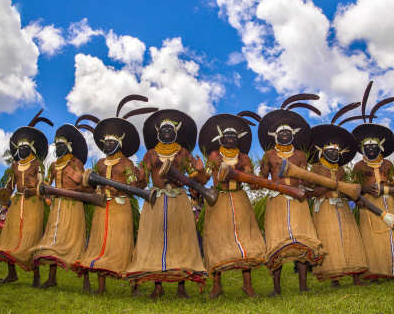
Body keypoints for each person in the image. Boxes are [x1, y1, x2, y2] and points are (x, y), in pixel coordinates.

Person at [125, 109, 207, 299]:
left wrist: (200, 171)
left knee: (181, 240)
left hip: (179, 199)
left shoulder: (184, 153)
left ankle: (181, 287)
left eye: (171, 128)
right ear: (158, 132)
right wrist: (138, 179)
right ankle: (158, 286)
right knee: (155, 241)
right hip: (155, 200)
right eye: (164, 128)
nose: (167, 131)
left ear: (176, 132)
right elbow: (144, 182)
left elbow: (198, 180)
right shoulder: (150, 154)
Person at [72, 95, 148, 294]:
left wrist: (121, 188)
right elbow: (91, 187)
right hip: (102, 206)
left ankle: (134, 286)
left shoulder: (127, 163)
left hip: (121, 207)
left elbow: (133, 185)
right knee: (99, 244)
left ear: (120, 144)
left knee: (124, 244)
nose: (107, 145)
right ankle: (101, 286)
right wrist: (82, 184)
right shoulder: (98, 164)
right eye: (105, 142)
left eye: (111, 142)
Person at [258, 95, 324, 297]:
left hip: (298, 199)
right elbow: (262, 176)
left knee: (301, 239)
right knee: (277, 241)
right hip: (276, 200)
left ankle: (303, 286)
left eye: (288, 132)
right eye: (281, 132)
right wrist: (263, 165)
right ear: (275, 136)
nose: (285, 135)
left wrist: (309, 183)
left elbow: (304, 178)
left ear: (293, 135)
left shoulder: (300, 155)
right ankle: (276, 288)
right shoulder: (269, 154)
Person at [198, 112, 266, 298]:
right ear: (220, 139)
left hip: (240, 199)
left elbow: (252, 182)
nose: (230, 138)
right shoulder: (213, 156)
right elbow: (204, 179)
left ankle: (248, 285)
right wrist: (198, 171)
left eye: (234, 136)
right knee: (216, 239)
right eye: (227, 136)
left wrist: (256, 179)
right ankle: (217, 285)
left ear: (239, 139)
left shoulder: (244, 158)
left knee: (245, 238)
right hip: (218, 200)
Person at [0, 110, 53, 287]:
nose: (20, 150)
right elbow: (9, 186)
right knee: (10, 236)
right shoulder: (14, 165)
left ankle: (36, 277)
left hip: (34, 205)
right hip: (17, 204)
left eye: (24, 147)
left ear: (31, 148)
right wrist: (3, 193)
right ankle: (12, 274)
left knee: (32, 238)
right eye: (18, 148)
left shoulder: (37, 164)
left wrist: (34, 188)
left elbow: (43, 184)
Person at [307, 103, 369, 287]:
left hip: (342, 207)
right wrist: (331, 187)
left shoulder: (341, 170)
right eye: (330, 151)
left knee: (351, 237)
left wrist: (354, 198)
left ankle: (356, 277)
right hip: (324, 207)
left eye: (336, 151)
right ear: (322, 152)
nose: (333, 153)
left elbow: (346, 191)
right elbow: (312, 193)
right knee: (330, 240)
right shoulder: (315, 168)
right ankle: (334, 278)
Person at [351, 84, 394, 281]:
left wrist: (393, 189)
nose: (371, 150)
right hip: (369, 204)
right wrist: (365, 191)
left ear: (380, 148)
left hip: (389, 201)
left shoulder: (387, 163)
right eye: (367, 147)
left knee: (393, 234)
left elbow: (393, 182)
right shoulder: (358, 165)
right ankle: (374, 271)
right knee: (372, 237)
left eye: (374, 146)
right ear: (362, 150)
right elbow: (354, 188)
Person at [29, 120, 92, 288]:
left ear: (69, 146)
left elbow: (91, 189)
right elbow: (48, 185)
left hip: (73, 207)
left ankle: (86, 281)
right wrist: (44, 189)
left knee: (76, 242)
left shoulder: (77, 164)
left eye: (60, 145)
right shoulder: (54, 166)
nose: (57, 148)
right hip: (57, 207)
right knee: (53, 240)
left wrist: (80, 183)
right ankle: (51, 278)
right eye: (55, 145)